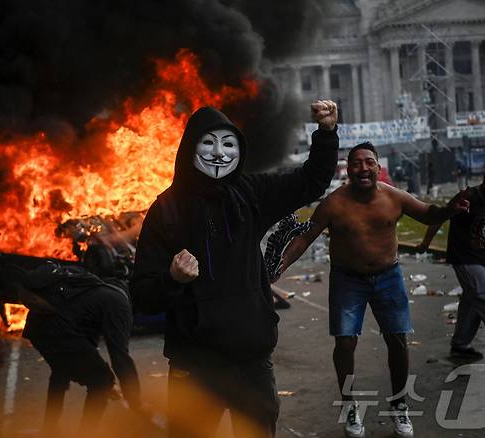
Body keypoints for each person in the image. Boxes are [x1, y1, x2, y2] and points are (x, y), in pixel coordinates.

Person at [130, 101, 339, 438]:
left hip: (252, 363)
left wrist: (326, 134)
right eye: (208, 143)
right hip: (194, 368)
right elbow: (141, 295)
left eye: (228, 144)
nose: (219, 153)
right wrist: (172, 279)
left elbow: (310, 182)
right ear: (190, 147)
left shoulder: (250, 194)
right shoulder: (165, 210)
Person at [272, 142, 469, 438]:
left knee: (398, 341)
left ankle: (400, 404)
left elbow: (429, 214)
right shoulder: (333, 203)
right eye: (356, 163)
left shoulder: (395, 198)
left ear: (378, 166)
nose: (363, 168)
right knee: (345, 344)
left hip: (388, 277)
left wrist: (450, 210)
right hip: (347, 280)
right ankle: (350, 406)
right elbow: (304, 239)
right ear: (347, 169)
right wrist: (279, 266)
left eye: (369, 162)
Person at [7, 260, 142, 435]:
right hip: (53, 331)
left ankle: (50, 428)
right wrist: (136, 403)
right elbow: (120, 356)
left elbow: (87, 343)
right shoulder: (120, 304)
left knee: (62, 370)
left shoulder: (98, 288)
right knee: (102, 380)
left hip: (38, 329)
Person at [418, 166, 485, 364]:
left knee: (472, 303)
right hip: (465, 258)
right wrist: (425, 243)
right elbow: (440, 217)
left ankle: (460, 346)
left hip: (480, 258)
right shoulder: (468, 197)